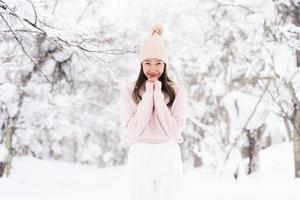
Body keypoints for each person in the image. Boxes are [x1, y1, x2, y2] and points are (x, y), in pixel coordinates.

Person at [119, 24, 187, 200]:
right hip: (141, 152)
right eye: (147, 63)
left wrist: (157, 94)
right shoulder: (129, 91)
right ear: (141, 64)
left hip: (168, 152)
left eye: (158, 63)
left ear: (165, 65)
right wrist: (148, 95)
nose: (153, 69)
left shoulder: (177, 91)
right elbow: (133, 130)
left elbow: (174, 131)